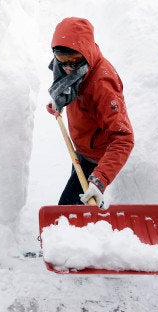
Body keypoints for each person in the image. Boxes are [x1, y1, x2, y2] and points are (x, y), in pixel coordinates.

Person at [46, 17, 134, 207]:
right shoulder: (76, 68)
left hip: (96, 158)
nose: (68, 67)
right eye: (62, 60)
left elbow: (123, 138)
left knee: (67, 213)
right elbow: (69, 88)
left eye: (74, 60)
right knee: (83, 209)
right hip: (82, 150)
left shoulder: (102, 85)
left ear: (85, 52)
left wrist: (99, 179)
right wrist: (58, 101)